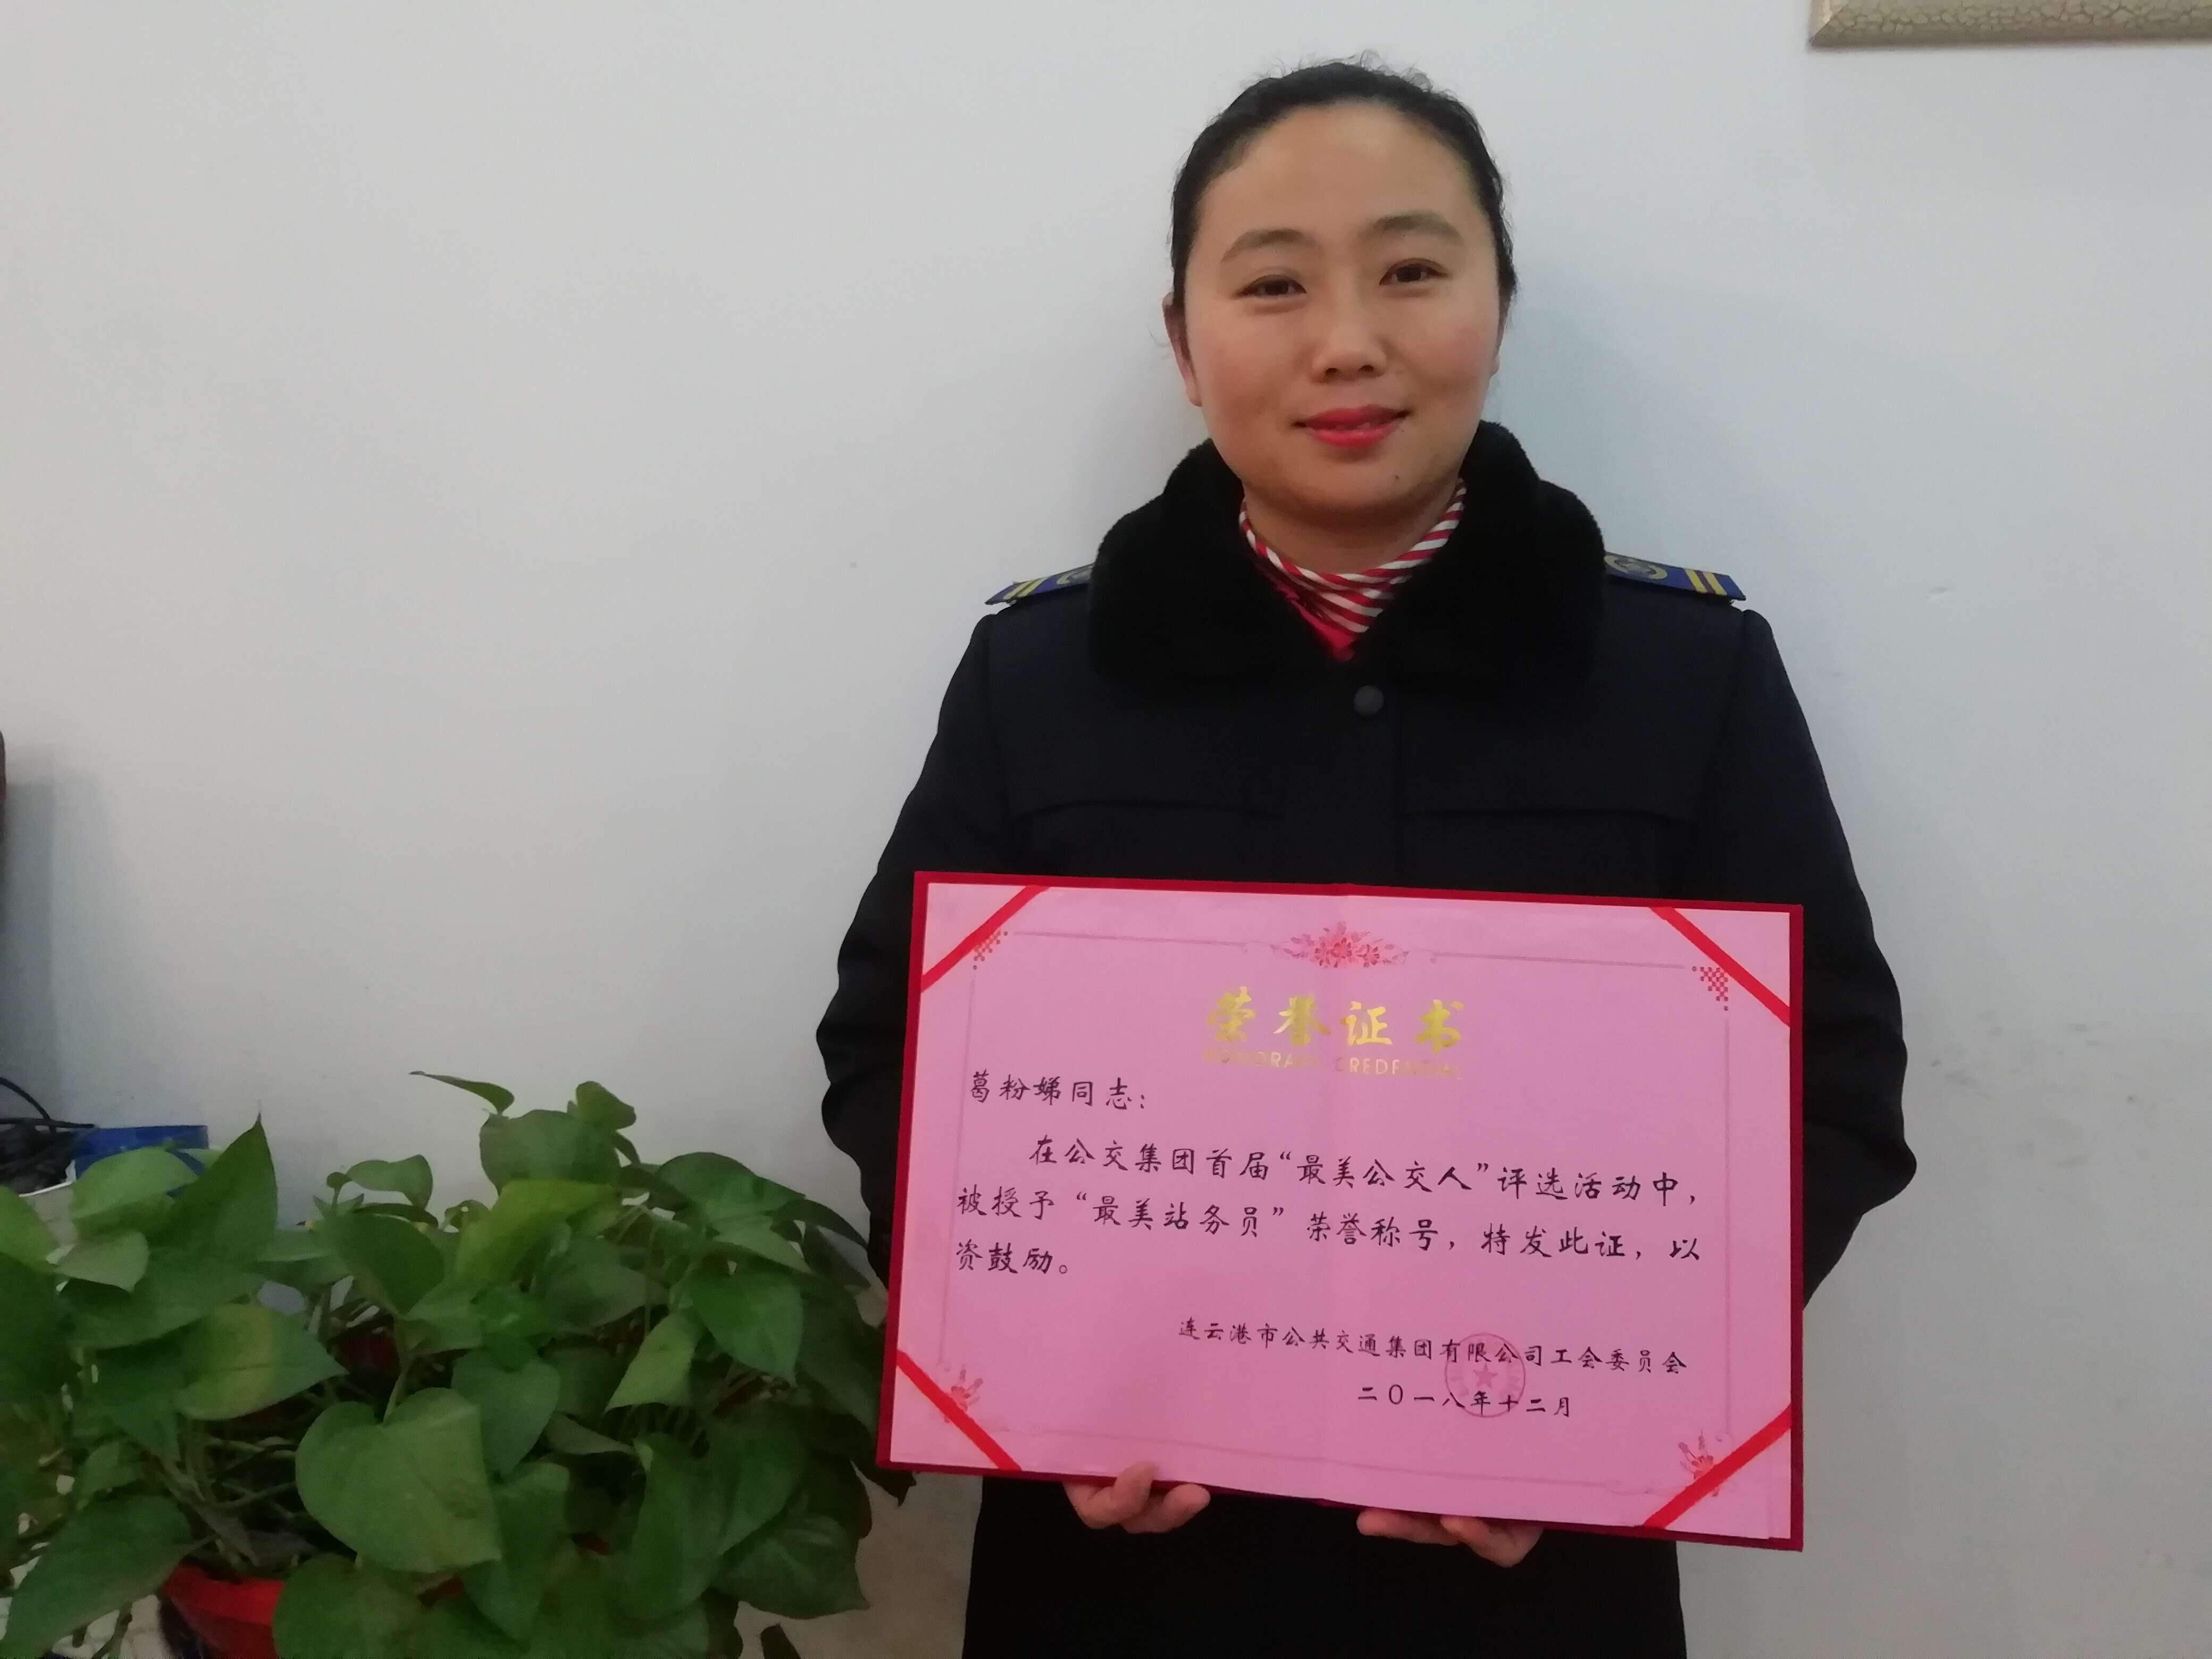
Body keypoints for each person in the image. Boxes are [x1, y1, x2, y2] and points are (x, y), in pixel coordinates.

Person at [818, 57, 1913, 1658]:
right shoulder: (1041, 676)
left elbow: (1832, 1079)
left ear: (1497, 306)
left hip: (1530, 1581)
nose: (1347, 340)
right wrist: (1040, 1374)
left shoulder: (1687, 676)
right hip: (1125, 1566)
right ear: (1186, 344)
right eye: (1274, 284)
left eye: (1411, 270)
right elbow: (891, 1052)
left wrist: (1606, 1409)